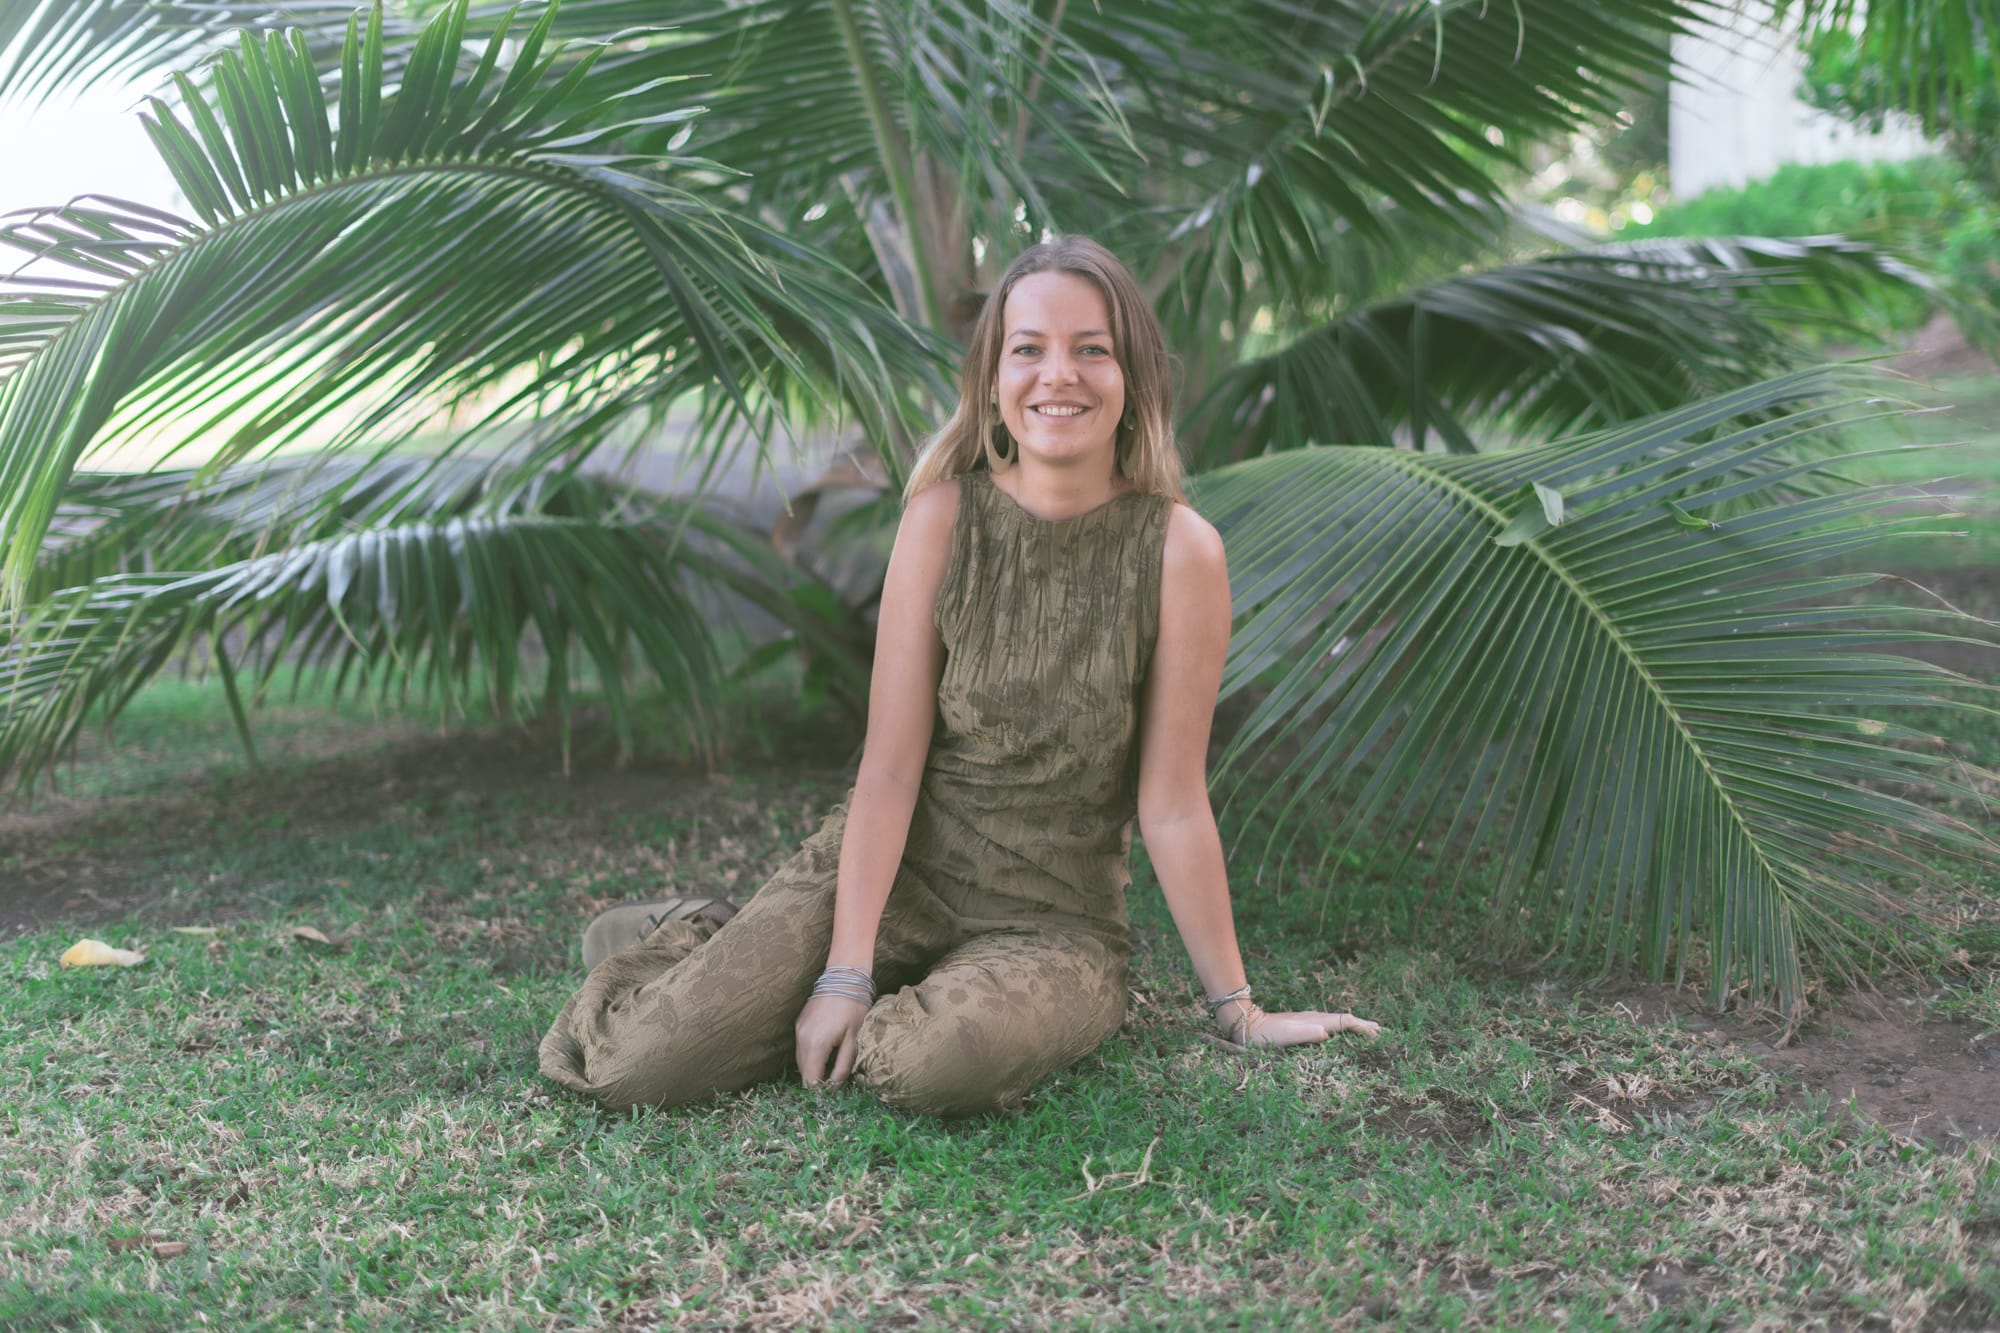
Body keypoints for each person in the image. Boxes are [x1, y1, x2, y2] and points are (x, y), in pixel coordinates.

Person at [538, 235, 1379, 1118]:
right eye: (1030, 349)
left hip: (1053, 926)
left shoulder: (1180, 551)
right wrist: (844, 970)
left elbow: (1170, 802)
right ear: (991, 379)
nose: (1060, 374)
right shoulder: (941, 519)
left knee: (936, 1066)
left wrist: (1238, 1010)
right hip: (897, 873)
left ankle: (846, 984)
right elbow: (891, 766)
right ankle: (701, 933)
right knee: (639, 1070)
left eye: (1092, 348)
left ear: (1133, 378)